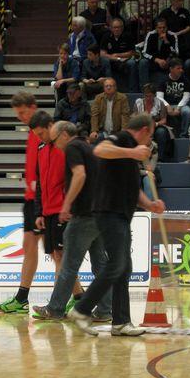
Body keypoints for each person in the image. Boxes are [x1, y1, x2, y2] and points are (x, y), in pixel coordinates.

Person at [33, 118, 146, 321]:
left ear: (65, 135)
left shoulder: (73, 147)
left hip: (83, 215)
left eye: (55, 140)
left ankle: (55, 308)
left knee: (69, 264)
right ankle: (104, 311)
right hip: (99, 214)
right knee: (101, 265)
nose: (55, 145)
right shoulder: (89, 147)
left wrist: (67, 204)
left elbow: (79, 175)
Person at [67, 114, 165, 337]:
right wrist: (132, 153)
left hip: (121, 214)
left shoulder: (130, 151)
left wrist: (151, 204)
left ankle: (120, 322)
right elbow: (100, 149)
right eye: (149, 135)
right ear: (144, 130)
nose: (148, 142)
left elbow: (133, 188)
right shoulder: (121, 139)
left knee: (124, 268)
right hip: (108, 212)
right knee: (117, 265)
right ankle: (81, 310)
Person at [28, 113, 86, 318]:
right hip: (48, 212)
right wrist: (39, 211)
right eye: (37, 135)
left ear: (51, 127)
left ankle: (55, 306)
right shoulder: (41, 150)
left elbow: (74, 178)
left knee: (62, 258)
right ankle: (80, 300)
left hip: (64, 210)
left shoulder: (65, 150)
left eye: (42, 133)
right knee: (57, 257)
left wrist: (70, 206)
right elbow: (40, 185)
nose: (41, 138)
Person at [0, 92, 42, 314]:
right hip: (32, 199)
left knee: (59, 252)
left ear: (33, 107)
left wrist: (38, 186)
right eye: (17, 114)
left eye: (23, 112)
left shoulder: (44, 130)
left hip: (43, 199)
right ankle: (22, 298)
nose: (20, 117)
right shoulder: (32, 131)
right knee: (30, 246)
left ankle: (78, 296)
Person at [133, 83, 170, 162]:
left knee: (161, 132)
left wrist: (155, 124)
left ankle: (160, 158)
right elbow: (134, 118)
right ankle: (138, 158)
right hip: (141, 126)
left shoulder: (160, 103)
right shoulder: (138, 103)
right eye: (146, 96)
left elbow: (164, 120)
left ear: (154, 95)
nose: (148, 98)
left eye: (150, 96)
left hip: (156, 126)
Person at [139, 18, 179, 88]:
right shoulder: (151, 34)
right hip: (154, 61)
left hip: (167, 61)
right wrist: (157, 60)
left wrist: (166, 41)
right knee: (143, 62)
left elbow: (176, 53)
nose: (162, 29)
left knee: (175, 61)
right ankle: (145, 88)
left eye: (164, 27)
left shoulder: (172, 35)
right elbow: (144, 52)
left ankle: (173, 87)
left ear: (167, 28)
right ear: (156, 28)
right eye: (159, 28)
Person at [99, 18, 136, 92]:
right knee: (105, 61)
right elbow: (102, 54)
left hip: (125, 60)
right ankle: (109, 88)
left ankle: (132, 90)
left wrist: (117, 55)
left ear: (122, 28)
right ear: (111, 28)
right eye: (114, 27)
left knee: (132, 63)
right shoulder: (106, 36)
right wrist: (115, 58)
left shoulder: (128, 36)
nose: (116, 29)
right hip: (111, 60)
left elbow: (131, 52)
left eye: (119, 27)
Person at [157, 58, 190, 137]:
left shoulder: (185, 80)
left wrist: (178, 108)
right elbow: (159, 97)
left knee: (187, 111)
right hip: (166, 105)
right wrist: (167, 106)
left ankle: (183, 135)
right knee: (159, 110)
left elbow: (186, 97)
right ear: (171, 69)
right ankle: (167, 135)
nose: (181, 70)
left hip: (180, 105)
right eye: (178, 68)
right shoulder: (163, 80)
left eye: (181, 68)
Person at [90, 77, 130, 142]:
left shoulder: (122, 98)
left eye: (110, 86)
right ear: (104, 88)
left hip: (117, 131)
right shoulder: (98, 98)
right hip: (103, 131)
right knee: (94, 139)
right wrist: (94, 130)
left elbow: (125, 115)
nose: (108, 88)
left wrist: (123, 131)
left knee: (122, 140)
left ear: (115, 87)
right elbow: (94, 115)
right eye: (106, 86)